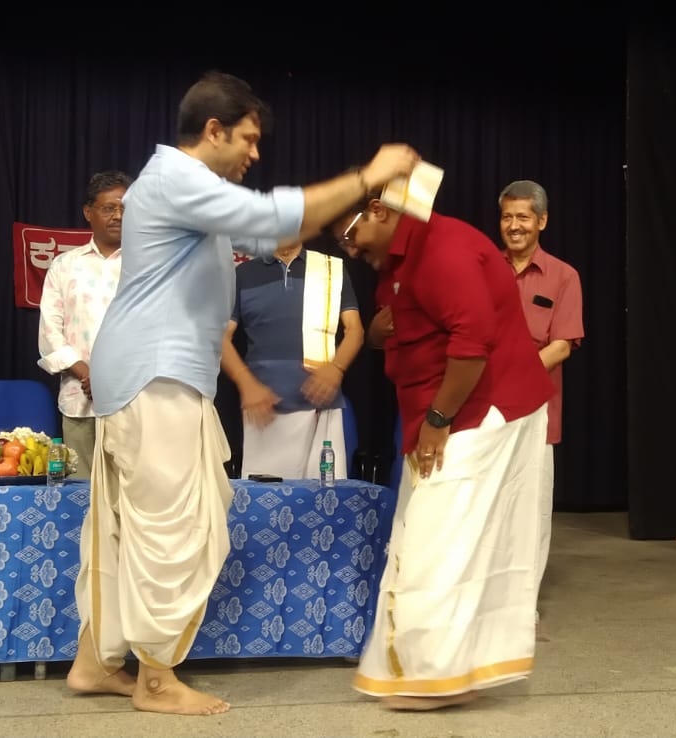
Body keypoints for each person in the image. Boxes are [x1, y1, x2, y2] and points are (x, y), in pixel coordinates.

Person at [64, 70, 419, 716]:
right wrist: (369, 175)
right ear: (214, 129)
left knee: (124, 524)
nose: (256, 153)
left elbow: (268, 233)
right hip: (156, 374)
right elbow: (271, 217)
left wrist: (356, 210)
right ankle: (154, 679)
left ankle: (95, 662)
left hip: (149, 371)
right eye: (249, 139)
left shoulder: (182, 185)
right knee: (171, 527)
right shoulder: (177, 180)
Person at [330, 193, 555, 711]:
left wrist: (438, 420)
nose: (350, 249)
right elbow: (409, 331)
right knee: (425, 536)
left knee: (441, 540)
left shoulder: (442, 249)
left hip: (480, 411)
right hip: (438, 413)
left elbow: (472, 342)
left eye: (351, 235)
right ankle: (435, 669)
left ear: (379, 211)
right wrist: (381, 334)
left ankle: (437, 675)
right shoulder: (398, 260)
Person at [498, 179, 584, 631]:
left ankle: (521, 603)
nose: (514, 226)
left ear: (542, 221)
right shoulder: (483, 268)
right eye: (507, 217)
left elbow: (563, 345)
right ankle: (486, 596)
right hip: (483, 408)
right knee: (488, 507)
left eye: (523, 217)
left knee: (530, 510)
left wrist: (514, 375)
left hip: (535, 411)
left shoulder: (563, 276)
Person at [221, 238, 363, 479]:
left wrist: (337, 368)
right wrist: (246, 383)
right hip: (265, 410)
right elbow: (220, 337)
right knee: (267, 498)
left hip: (321, 406)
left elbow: (355, 330)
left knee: (325, 496)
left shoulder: (330, 269)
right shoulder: (243, 274)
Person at [37, 170, 132, 478]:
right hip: (80, 400)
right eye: (109, 208)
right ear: (88, 212)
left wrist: (113, 377)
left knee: (133, 497)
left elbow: (159, 331)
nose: (119, 216)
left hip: (135, 402)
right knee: (81, 496)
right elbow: (50, 333)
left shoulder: (148, 266)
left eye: (125, 208)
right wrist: (89, 374)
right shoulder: (65, 265)